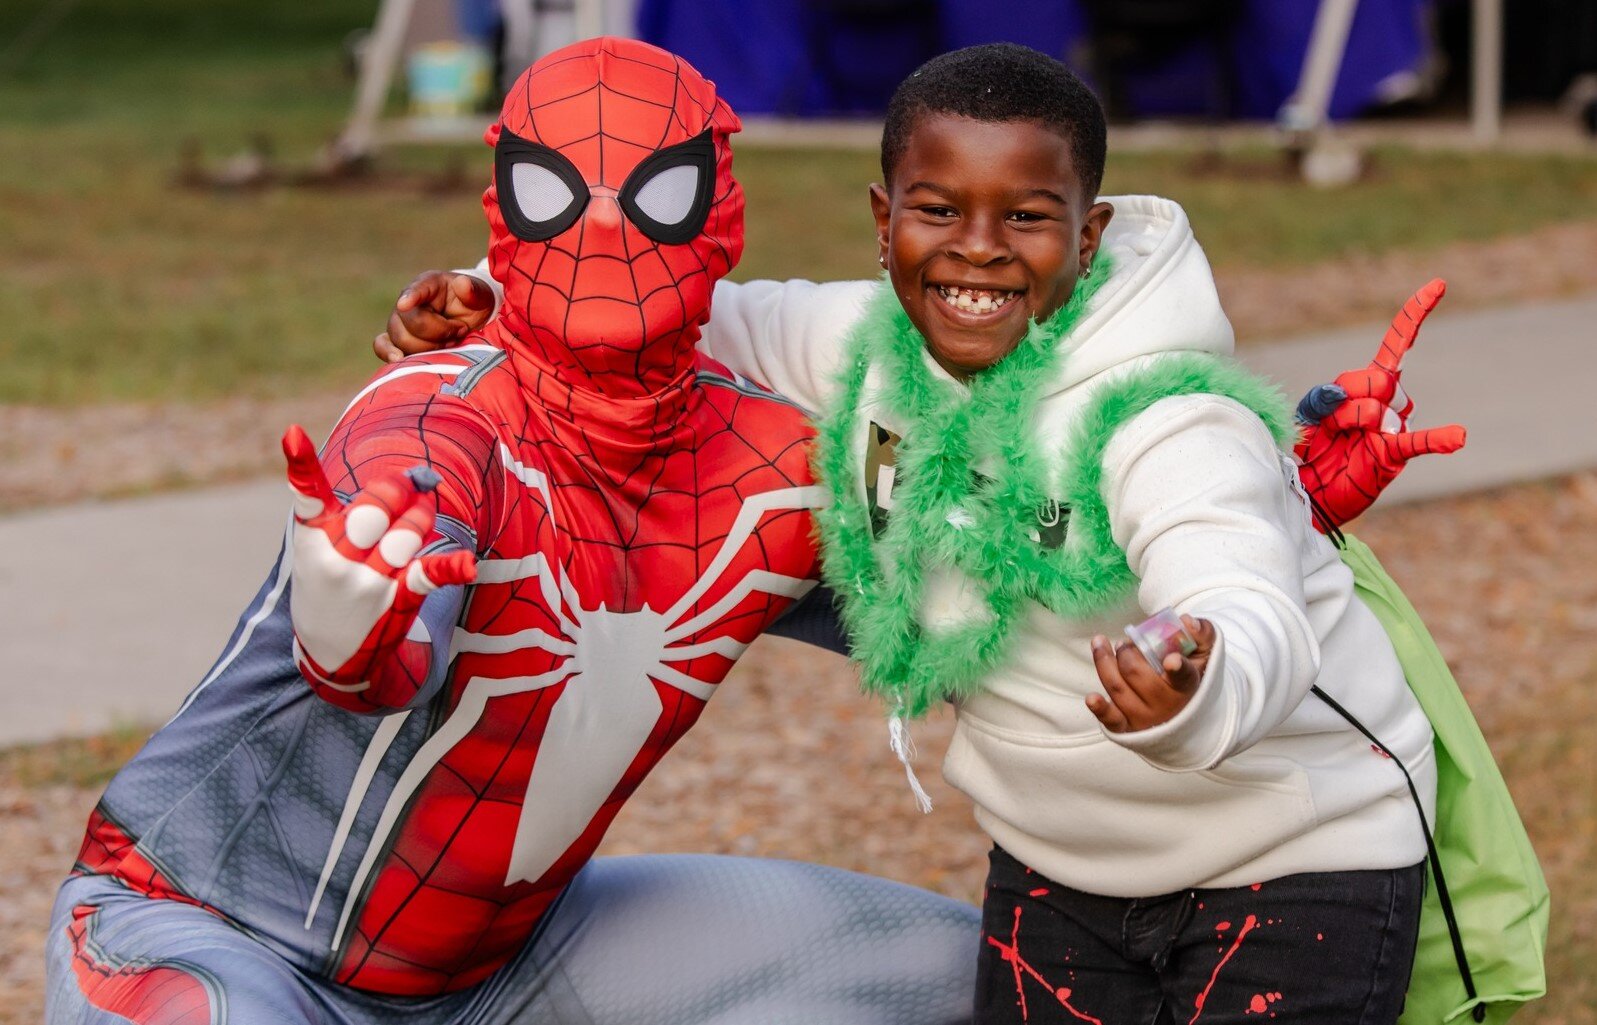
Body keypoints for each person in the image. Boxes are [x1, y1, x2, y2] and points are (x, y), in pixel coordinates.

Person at [387, 43, 1465, 1025]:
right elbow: (673, 301)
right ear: (882, 217)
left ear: (1086, 235)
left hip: (1293, 860)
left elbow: (1238, 584)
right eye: (938, 210)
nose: (978, 251)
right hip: (1061, 865)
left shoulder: (1162, 410)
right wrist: (483, 297)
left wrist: (1196, 674)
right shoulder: (870, 348)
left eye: (1027, 217)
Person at [44, 38, 979, 1025]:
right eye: (558, 190)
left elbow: (991, 574)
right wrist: (343, 613)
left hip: (497, 970)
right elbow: (379, 650)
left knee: (956, 968)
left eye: (657, 192)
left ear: (721, 214)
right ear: (506, 214)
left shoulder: (785, 459)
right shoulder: (433, 413)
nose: (610, 226)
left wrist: (1104, 522)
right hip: (206, 929)